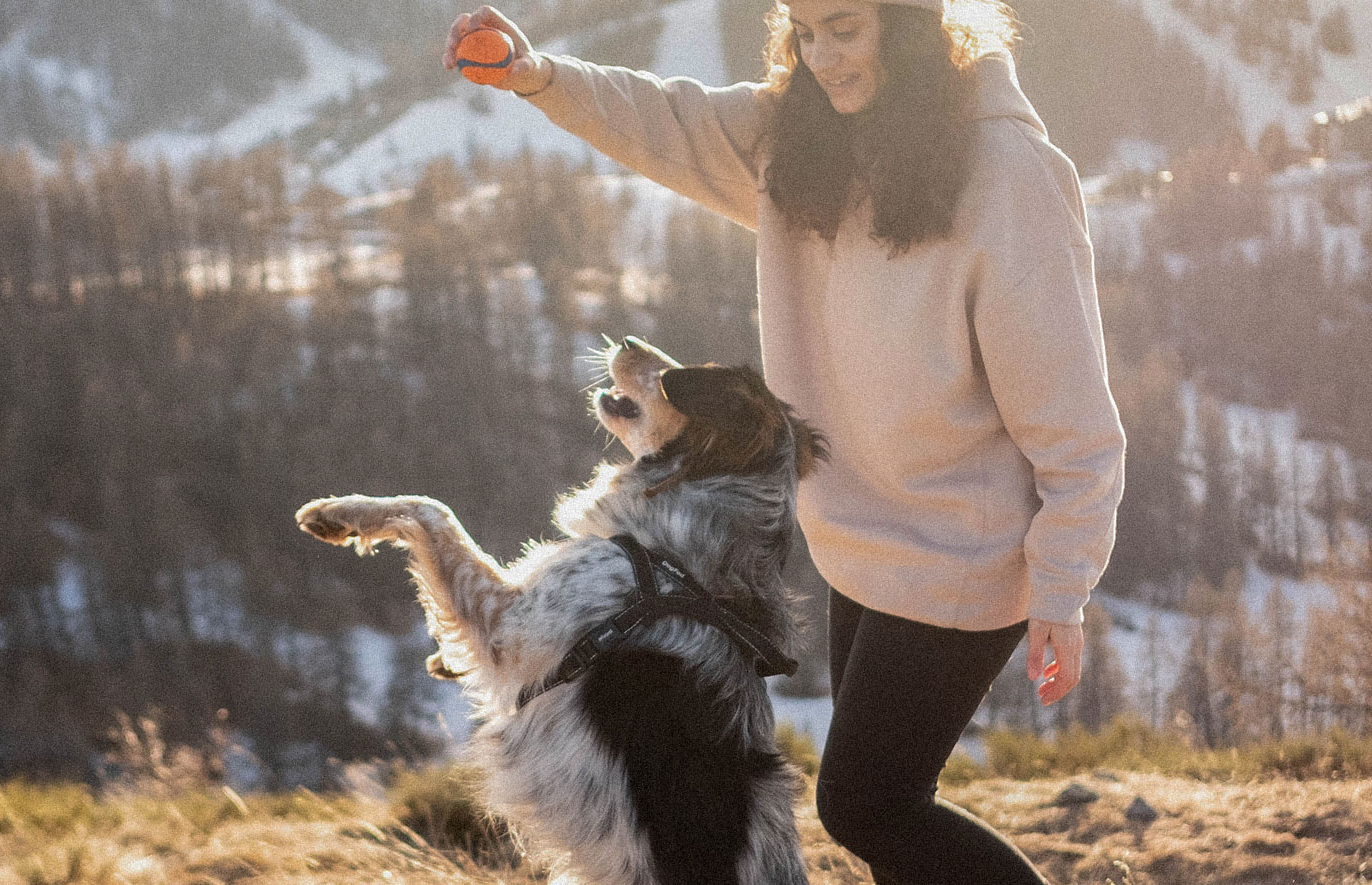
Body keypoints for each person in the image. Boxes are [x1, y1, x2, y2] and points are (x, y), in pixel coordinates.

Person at [443, 1, 1125, 881]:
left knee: (868, 805)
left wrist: (1063, 584)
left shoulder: (1007, 176)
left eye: (845, 29)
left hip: (968, 547)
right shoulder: (801, 140)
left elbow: (1073, 415)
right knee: (888, 816)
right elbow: (671, 119)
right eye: (804, 34)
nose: (823, 58)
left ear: (909, 24)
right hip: (859, 544)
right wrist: (539, 78)